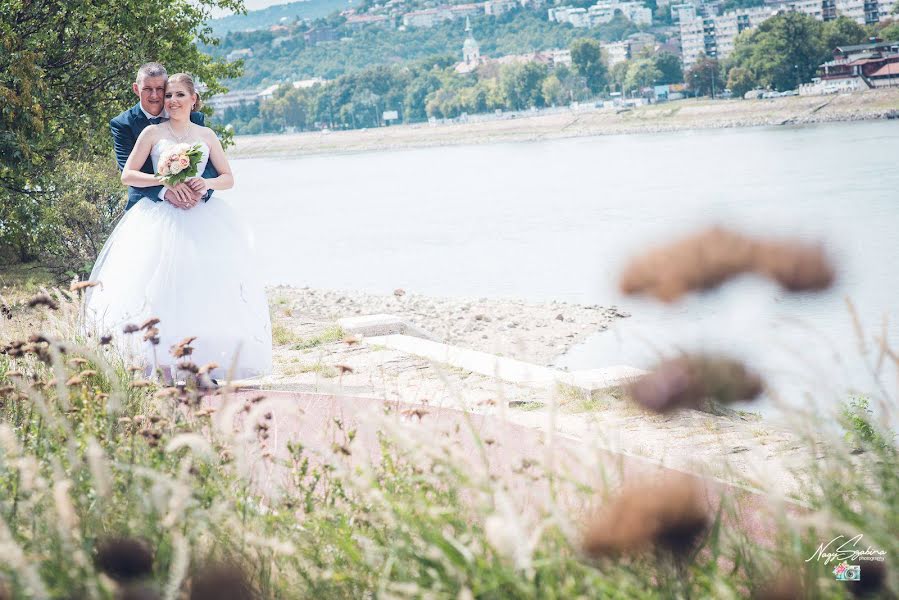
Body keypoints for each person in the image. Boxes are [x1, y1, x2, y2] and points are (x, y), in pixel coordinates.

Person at [85, 70, 272, 381]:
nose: (170, 100)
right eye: (167, 95)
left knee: (200, 289)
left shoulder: (206, 135)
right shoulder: (151, 134)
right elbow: (128, 174)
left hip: (201, 219)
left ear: (193, 99)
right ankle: (160, 366)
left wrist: (204, 183)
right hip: (159, 218)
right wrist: (166, 183)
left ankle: (199, 365)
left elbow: (228, 178)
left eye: (177, 95)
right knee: (157, 288)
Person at [110, 62, 218, 211]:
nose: (154, 95)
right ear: (136, 89)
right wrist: (165, 191)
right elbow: (128, 172)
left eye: (160, 89)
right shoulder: (123, 124)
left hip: (195, 204)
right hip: (148, 205)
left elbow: (210, 163)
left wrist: (200, 190)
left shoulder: (193, 117)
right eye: (147, 89)